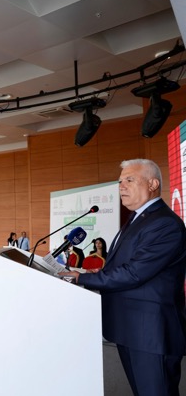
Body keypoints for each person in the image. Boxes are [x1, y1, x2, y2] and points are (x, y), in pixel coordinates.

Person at [60, 159, 186, 396]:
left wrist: (81, 278)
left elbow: (135, 272)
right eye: (119, 182)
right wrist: (99, 274)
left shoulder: (164, 223)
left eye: (129, 180)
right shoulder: (139, 218)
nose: (121, 186)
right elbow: (127, 265)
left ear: (153, 184)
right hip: (131, 328)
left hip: (151, 333)